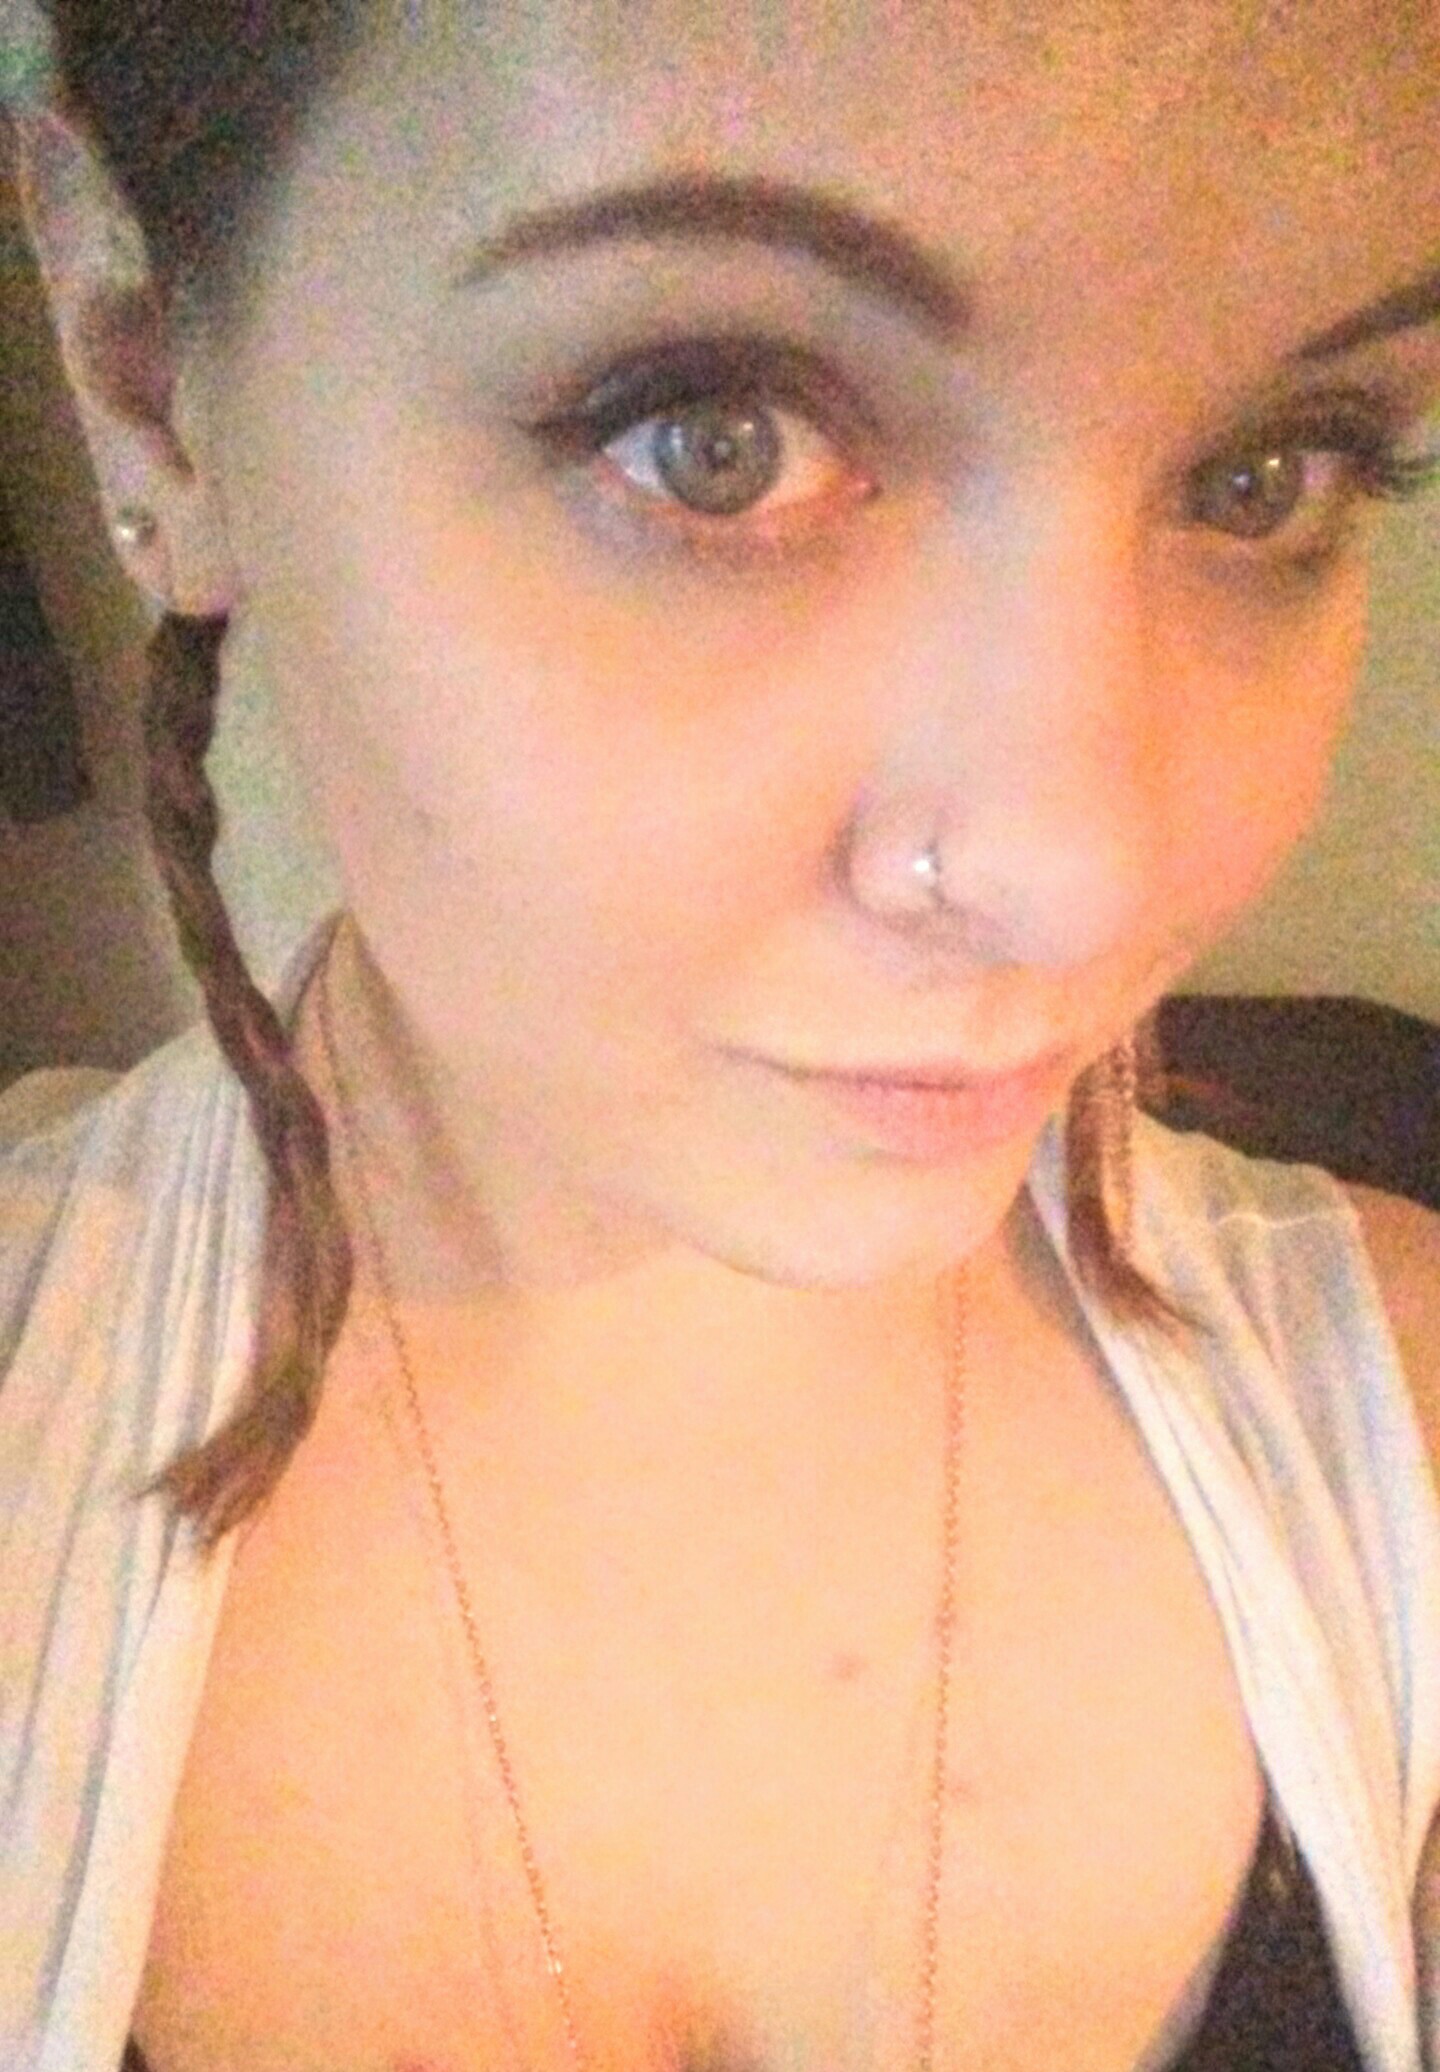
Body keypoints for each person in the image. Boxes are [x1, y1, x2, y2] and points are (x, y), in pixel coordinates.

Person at [2, 3, 1438, 2068]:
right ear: (146, 387)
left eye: (1262, 475)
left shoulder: (1411, 1430)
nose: (1087, 878)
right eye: (713, 437)